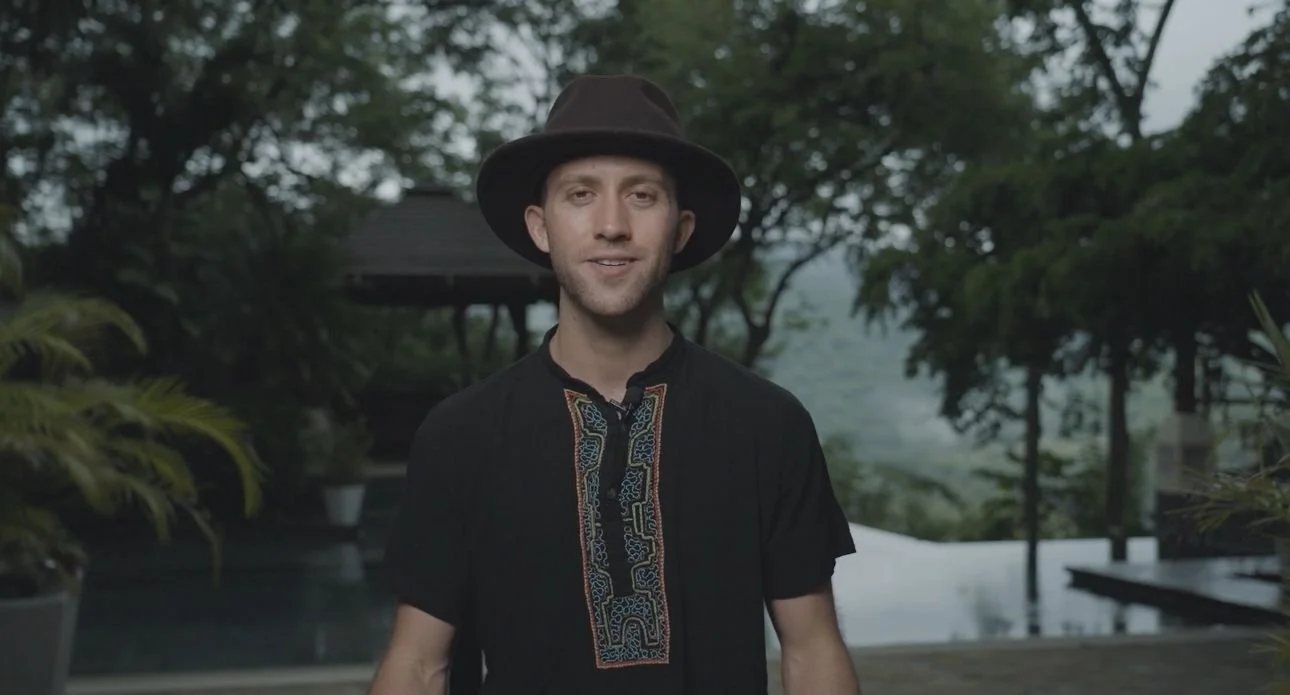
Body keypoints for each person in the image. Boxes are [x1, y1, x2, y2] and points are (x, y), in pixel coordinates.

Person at [369, 74, 861, 695]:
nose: (611, 225)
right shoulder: (460, 435)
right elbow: (418, 666)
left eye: (641, 196)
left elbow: (812, 652)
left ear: (680, 229)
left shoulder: (767, 424)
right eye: (580, 195)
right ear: (540, 227)